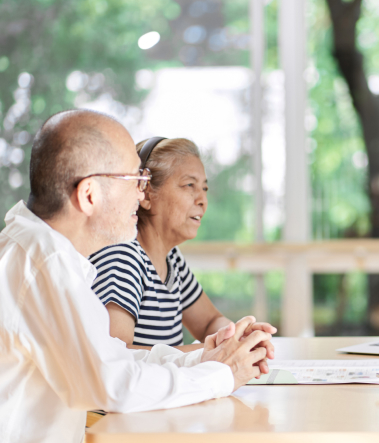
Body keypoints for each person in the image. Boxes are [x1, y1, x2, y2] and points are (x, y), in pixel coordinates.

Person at [0, 109, 273, 443]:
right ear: (89, 195)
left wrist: (204, 358)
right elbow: (115, 386)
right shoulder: (47, 265)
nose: (141, 195)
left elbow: (111, 357)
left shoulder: (41, 254)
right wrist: (221, 375)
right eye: (135, 180)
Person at [89, 137, 274, 352]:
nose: (202, 200)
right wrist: (211, 353)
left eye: (204, 188)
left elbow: (209, 322)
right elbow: (116, 356)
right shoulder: (122, 257)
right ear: (146, 193)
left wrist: (237, 338)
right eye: (189, 185)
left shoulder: (171, 258)